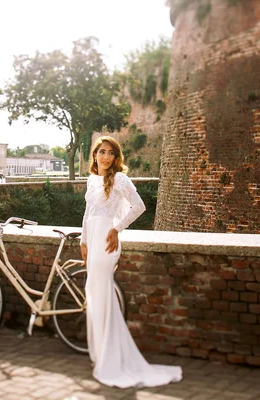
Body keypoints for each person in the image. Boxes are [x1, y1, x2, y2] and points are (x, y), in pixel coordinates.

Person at [80, 136, 182, 388]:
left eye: (111, 153)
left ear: (116, 158)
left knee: (101, 293)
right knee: (93, 294)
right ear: (94, 155)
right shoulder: (92, 180)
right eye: (101, 152)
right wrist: (82, 242)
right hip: (92, 241)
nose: (105, 157)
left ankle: (109, 359)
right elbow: (87, 214)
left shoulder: (120, 179)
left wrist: (116, 229)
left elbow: (139, 207)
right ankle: (101, 353)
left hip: (106, 240)